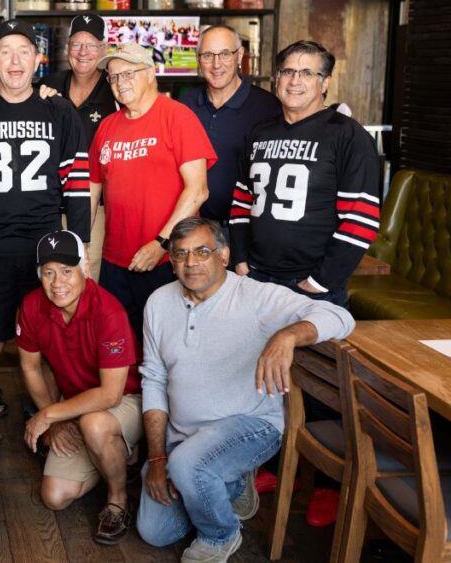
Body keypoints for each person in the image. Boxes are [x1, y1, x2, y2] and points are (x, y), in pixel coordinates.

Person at [137, 217, 354, 562]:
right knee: (156, 532)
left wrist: (287, 335)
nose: (191, 262)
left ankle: (220, 535)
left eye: (202, 251)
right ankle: (231, 483)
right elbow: (154, 380)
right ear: (172, 261)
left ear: (223, 255)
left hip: (250, 425)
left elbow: (340, 317)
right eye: (181, 254)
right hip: (182, 436)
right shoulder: (158, 303)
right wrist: (158, 458)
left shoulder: (255, 296)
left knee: (190, 466)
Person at [0, 18, 90, 479]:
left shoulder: (60, 112)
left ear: (37, 60)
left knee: (49, 344)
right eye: (3, 52)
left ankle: (53, 428)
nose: (12, 61)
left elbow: (77, 185)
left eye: (21, 52)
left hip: (43, 248)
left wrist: (79, 253)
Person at [230, 40, 381, 307]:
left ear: (325, 83)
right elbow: (242, 203)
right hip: (255, 279)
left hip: (309, 285)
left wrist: (319, 282)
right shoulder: (259, 133)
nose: (294, 81)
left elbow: (361, 219)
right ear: (277, 79)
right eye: (287, 72)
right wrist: (241, 262)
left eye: (307, 73)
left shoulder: (347, 135)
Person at [18, 230, 143, 546]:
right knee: (55, 497)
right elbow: (31, 367)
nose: (57, 282)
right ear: (39, 275)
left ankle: (118, 500)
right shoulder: (32, 306)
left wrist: (49, 414)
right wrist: (56, 421)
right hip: (73, 401)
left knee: (95, 424)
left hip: (127, 398)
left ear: (85, 266)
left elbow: (110, 394)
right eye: (48, 272)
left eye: (66, 270)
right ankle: (118, 455)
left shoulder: (108, 311)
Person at [88, 42, 216, 340]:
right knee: (116, 342)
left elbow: (198, 191)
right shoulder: (107, 127)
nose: (120, 83)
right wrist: (81, 243)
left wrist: (160, 243)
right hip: (115, 261)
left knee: (166, 343)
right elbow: (92, 191)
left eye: (128, 74)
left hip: (166, 260)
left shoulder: (177, 117)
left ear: (150, 74)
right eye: (114, 77)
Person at [180, 25, 281, 229]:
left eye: (225, 54)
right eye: (208, 55)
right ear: (198, 59)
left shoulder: (268, 108)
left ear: (239, 55)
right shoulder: (185, 104)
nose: (216, 64)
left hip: (245, 229)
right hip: (191, 226)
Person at [38, 14, 118, 147]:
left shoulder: (116, 89)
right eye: (76, 44)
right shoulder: (49, 84)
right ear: (68, 48)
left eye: (92, 45)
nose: (83, 52)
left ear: (105, 49)